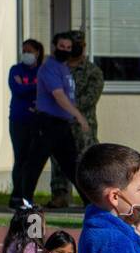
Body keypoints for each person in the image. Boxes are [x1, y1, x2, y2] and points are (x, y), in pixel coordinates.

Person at [12, 31, 93, 210]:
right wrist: (79, 116)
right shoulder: (49, 67)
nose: (65, 50)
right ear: (54, 47)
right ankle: (23, 201)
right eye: (62, 46)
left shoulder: (64, 68)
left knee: (72, 165)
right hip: (47, 123)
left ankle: (90, 203)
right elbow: (59, 96)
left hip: (61, 124)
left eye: (68, 47)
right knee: (35, 163)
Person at [49, 29, 103, 209]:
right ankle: (60, 195)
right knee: (59, 161)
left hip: (82, 128)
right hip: (61, 123)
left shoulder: (92, 71)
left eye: (79, 44)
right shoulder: (58, 68)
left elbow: (90, 97)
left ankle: (92, 198)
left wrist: (65, 104)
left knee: (86, 161)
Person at [8, 38, 43, 209]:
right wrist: (36, 88)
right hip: (19, 120)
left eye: (30, 51)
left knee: (32, 160)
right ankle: (16, 195)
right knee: (20, 159)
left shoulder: (41, 71)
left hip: (36, 120)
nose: (26, 54)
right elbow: (18, 90)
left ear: (37, 53)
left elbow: (47, 90)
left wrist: (32, 88)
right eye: (24, 50)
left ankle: (27, 196)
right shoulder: (15, 70)